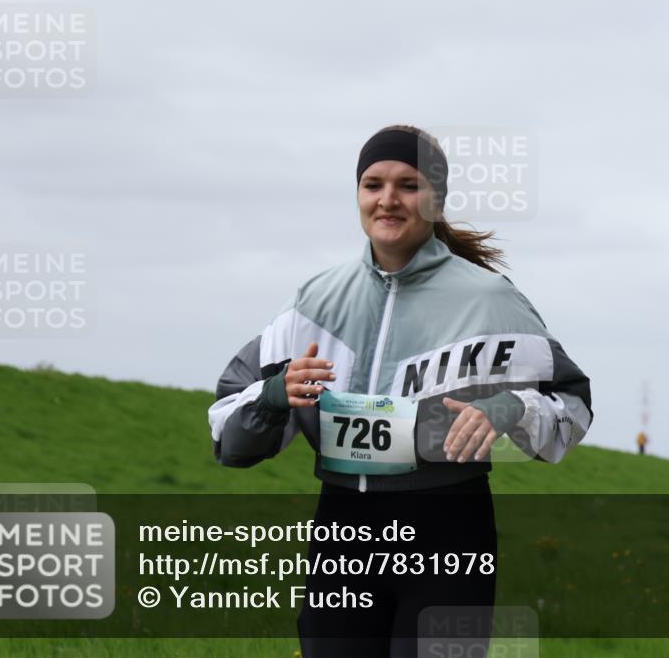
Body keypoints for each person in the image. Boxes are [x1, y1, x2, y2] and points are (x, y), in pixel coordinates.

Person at [207, 125, 593, 657]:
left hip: (449, 532)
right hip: (343, 531)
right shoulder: (316, 300)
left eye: (408, 185)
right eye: (373, 184)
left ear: (437, 198)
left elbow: (571, 407)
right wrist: (275, 393)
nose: (387, 199)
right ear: (358, 195)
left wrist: (509, 407)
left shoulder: (490, 300)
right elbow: (227, 419)